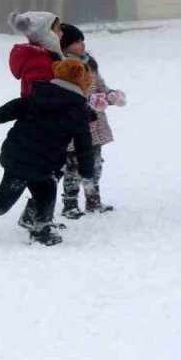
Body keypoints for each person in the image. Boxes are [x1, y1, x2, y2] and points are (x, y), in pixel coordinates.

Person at [0, 59, 97, 248]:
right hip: (29, 162)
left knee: (46, 188)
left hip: (20, 155)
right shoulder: (77, 111)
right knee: (3, 201)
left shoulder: (39, 95)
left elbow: (9, 110)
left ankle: (41, 227)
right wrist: (87, 172)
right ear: (82, 82)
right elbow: (84, 145)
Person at [56, 23, 126, 217]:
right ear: (64, 46)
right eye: (76, 42)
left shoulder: (89, 63)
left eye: (82, 41)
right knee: (72, 164)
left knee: (95, 161)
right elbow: (65, 93)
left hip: (95, 123)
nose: (82, 45)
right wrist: (89, 101)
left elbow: (100, 85)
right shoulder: (63, 66)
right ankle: (70, 204)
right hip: (74, 123)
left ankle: (93, 199)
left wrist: (110, 95)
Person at [8, 11, 63, 97]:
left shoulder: (47, 57)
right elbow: (42, 99)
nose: (62, 34)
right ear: (46, 34)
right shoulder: (38, 62)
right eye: (58, 29)